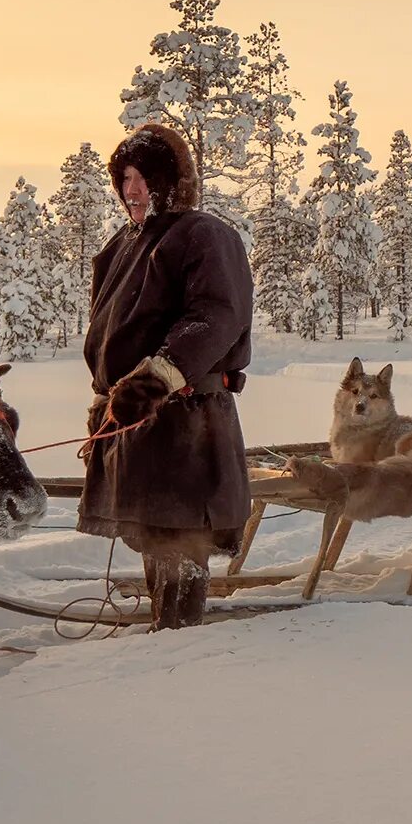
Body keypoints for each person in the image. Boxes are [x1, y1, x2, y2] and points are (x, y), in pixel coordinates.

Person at [77, 123, 254, 631]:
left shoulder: (203, 234)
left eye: (143, 178)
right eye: (125, 178)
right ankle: (165, 632)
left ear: (171, 182)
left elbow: (215, 317)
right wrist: (110, 399)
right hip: (135, 422)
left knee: (181, 541)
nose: (131, 190)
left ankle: (180, 647)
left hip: (188, 422)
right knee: (155, 537)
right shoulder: (122, 245)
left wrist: (156, 378)